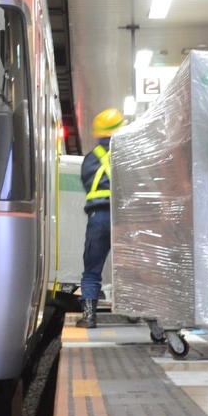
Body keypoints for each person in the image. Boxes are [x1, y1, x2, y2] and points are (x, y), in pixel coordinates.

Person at [79, 107, 124, 328]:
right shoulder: (128, 155)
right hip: (124, 219)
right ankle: (147, 318)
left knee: (92, 270)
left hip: (98, 217)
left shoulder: (89, 159)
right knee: (132, 268)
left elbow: (87, 183)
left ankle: (89, 317)